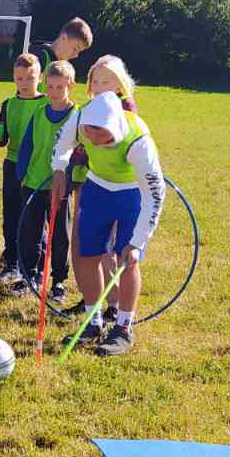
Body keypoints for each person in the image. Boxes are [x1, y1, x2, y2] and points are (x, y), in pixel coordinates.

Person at [49, 57, 164, 356]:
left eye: (102, 135)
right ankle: (93, 319)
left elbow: (155, 195)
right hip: (97, 189)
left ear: (117, 128)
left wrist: (138, 242)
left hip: (131, 196)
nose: (94, 140)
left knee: (128, 259)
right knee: (87, 254)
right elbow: (62, 146)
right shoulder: (83, 119)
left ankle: (123, 327)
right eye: (90, 134)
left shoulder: (139, 142)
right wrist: (60, 169)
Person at [13, 60, 81, 303]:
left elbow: (81, 153)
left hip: (59, 188)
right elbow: (27, 146)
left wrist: (70, 182)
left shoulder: (77, 117)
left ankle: (59, 281)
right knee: (30, 232)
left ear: (70, 86)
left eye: (59, 87)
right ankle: (28, 275)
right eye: (50, 87)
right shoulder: (39, 113)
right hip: (33, 183)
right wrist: (21, 175)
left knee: (60, 236)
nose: (53, 92)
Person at [0, 51, 47, 285]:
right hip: (12, 166)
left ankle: (36, 269)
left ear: (39, 78)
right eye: (19, 78)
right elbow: (2, 139)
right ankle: (11, 264)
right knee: (10, 215)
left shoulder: (45, 104)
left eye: (30, 78)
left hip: (37, 168)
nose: (24, 84)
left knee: (33, 219)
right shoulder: (8, 104)